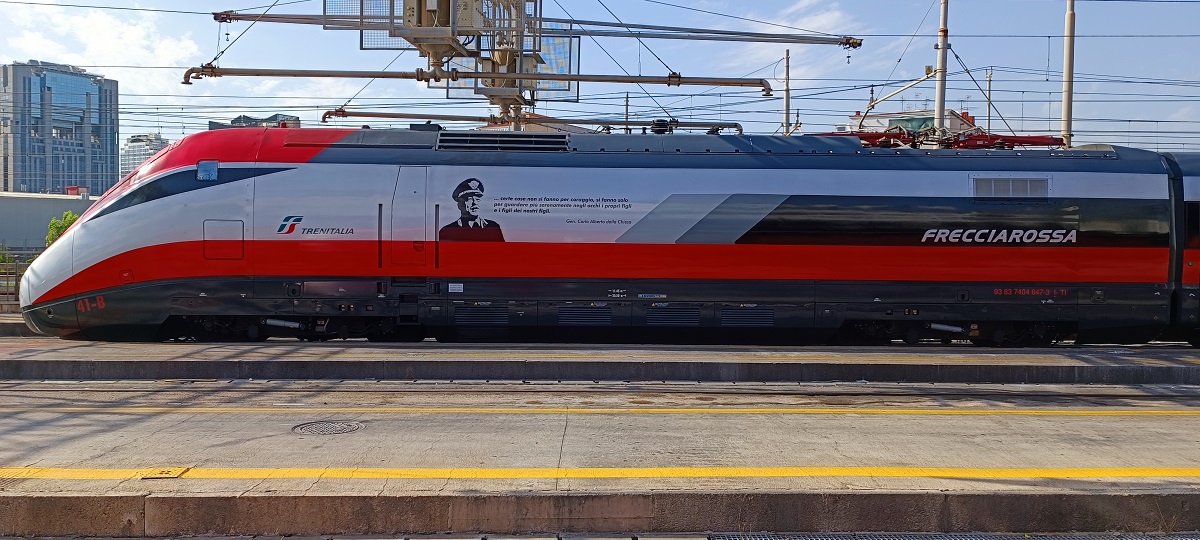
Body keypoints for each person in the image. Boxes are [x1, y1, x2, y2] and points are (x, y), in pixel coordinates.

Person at [439, 178, 505, 242]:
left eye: (477, 199)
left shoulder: (493, 227)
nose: (475, 203)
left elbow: (501, 249)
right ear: (459, 204)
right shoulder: (447, 231)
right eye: (469, 199)